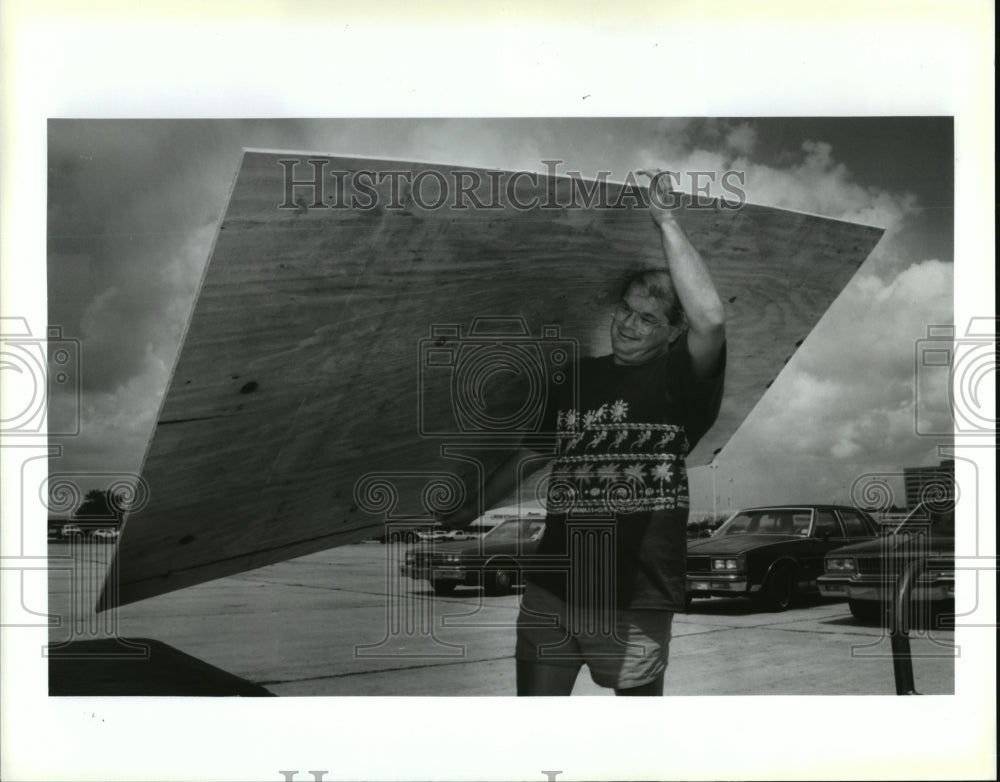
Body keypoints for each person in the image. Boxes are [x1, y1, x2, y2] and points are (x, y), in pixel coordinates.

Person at [449, 176, 726, 696]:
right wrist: (471, 509)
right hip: (552, 589)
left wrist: (666, 220)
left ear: (671, 332)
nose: (627, 324)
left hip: (634, 600)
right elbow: (529, 458)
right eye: (625, 309)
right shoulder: (575, 377)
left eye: (647, 319)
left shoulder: (683, 385)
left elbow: (710, 319)